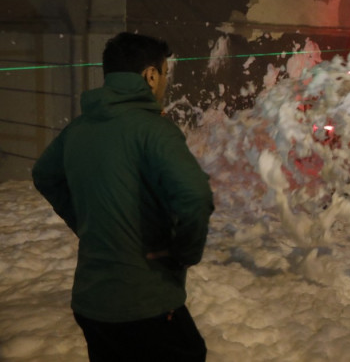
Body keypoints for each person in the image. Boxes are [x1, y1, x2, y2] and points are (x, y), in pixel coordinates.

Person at [32, 32, 215, 362]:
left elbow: (44, 175)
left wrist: (87, 223)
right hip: (145, 305)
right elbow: (195, 194)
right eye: (164, 75)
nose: (165, 85)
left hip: (92, 306)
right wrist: (183, 253)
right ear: (150, 75)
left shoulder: (77, 130)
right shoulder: (153, 130)